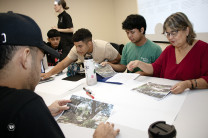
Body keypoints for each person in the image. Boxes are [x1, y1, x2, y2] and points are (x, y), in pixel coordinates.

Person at [0, 12, 119, 138]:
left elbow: (120, 61)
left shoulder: (17, 106)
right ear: (25, 57)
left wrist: (45, 111)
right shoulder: (27, 106)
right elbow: (63, 64)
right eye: (40, 59)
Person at [127, 12, 208, 94]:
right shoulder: (169, 50)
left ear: (187, 30)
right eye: (168, 34)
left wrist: (188, 84)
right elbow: (154, 69)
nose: (170, 38)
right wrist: (139, 63)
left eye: (174, 33)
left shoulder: (203, 48)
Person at [41, 28, 121, 80]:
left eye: (80, 46)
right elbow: (63, 63)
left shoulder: (104, 47)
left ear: (89, 43)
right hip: (92, 76)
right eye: (76, 46)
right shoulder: (76, 49)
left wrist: (107, 64)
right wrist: (49, 74)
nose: (77, 50)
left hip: (110, 76)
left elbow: (119, 59)